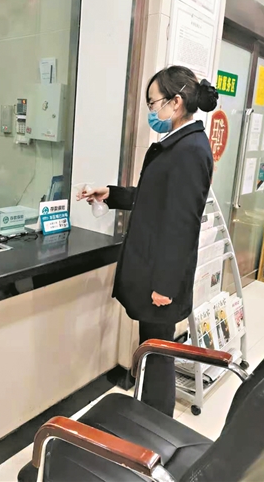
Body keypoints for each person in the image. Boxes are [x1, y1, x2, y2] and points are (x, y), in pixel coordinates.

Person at [78, 66, 218, 417]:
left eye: (153, 103)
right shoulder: (179, 144)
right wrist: (110, 194)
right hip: (156, 271)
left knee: (157, 357)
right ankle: (148, 423)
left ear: (176, 102)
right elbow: (154, 198)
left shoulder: (190, 150)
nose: (152, 112)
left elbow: (182, 225)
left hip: (162, 279)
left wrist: (165, 286)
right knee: (153, 351)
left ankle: (154, 430)